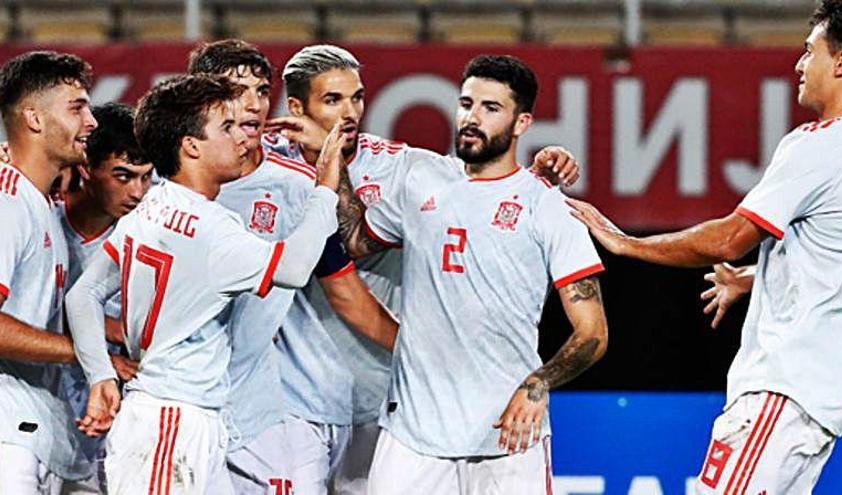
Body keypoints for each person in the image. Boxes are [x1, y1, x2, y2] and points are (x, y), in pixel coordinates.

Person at [567, 0, 842, 492]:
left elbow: (730, 238)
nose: (800, 64)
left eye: (810, 51)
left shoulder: (819, 144)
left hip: (781, 389)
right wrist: (758, 278)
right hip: (824, 401)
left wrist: (627, 244)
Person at [266, 44, 582, 495]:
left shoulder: (405, 167)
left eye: (357, 97)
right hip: (294, 400)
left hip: (385, 401)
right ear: (297, 108)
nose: (350, 112)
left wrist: (535, 174)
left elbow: (481, 188)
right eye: (333, 100)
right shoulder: (258, 170)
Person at [65, 74, 342, 494]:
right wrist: (324, 190)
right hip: (172, 424)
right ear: (191, 146)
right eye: (226, 128)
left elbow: (83, 294)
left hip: (176, 415)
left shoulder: (151, 205)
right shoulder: (211, 229)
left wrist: (100, 375)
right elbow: (294, 268)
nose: (241, 138)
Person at [185, 39, 399, 495]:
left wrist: (425, 354)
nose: (253, 105)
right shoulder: (169, 188)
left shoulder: (299, 187)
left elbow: (346, 290)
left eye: (262, 91)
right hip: (190, 404)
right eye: (235, 92)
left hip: (287, 408)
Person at [0, 50, 97, 494]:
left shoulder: (37, 200)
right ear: (34, 119)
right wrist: (86, 352)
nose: (90, 122)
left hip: (36, 429)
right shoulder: (7, 202)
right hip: (8, 437)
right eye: (76, 108)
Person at [58, 101, 152, 493]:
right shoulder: (42, 215)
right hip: (39, 414)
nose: (137, 192)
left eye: (146, 177)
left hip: (114, 424)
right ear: (86, 168)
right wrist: (103, 335)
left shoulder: (151, 231)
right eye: (123, 176)